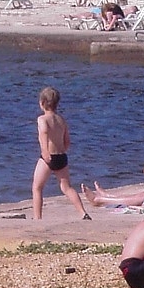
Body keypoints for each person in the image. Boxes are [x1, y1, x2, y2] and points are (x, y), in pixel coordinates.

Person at [31, 86, 91, 221]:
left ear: (42, 103)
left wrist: (45, 152)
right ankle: (82, 212)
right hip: (61, 156)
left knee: (37, 187)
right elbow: (67, 141)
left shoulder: (42, 119)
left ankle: (37, 217)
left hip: (48, 156)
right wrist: (62, 150)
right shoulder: (61, 120)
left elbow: (43, 134)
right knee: (66, 187)